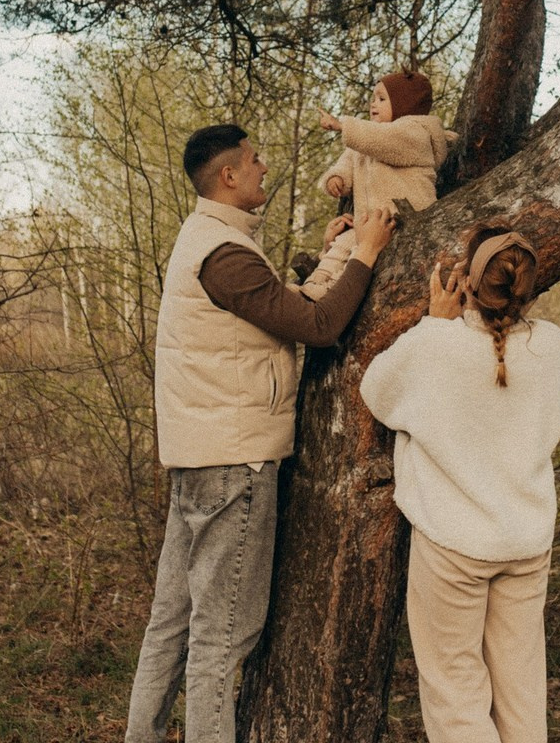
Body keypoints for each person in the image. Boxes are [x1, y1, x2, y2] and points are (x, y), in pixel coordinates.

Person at [125, 123, 395, 743]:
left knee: (172, 623)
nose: (264, 167)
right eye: (254, 159)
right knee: (222, 639)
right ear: (228, 175)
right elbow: (320, 324)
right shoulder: (223, 254)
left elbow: (283, 305)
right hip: (234, 465)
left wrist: (335, 254)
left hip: (203, 458)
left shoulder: (213, 242)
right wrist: (367, 254)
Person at [359, 226, 560, 743]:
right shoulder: (554, 345)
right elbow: (555, 406)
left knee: (456, 692)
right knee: (522, 689)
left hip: (454, 544)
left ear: (467, 284)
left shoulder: (435, 344)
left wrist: (434, 323)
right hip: (526, 542)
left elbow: (375, 393)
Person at [296, 70, 455, 299]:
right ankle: (316, 282)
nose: (373, 104)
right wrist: (337, 179)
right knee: (342, 243)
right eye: (372, 98)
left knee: (357, 254)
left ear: (405, 104)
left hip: (402, 222)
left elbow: (384, 139)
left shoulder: (414, 134)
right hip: (369, 223)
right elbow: (347, 162)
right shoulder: (365, 140)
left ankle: (332, 289)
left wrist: (343, 126)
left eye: (382, 99)